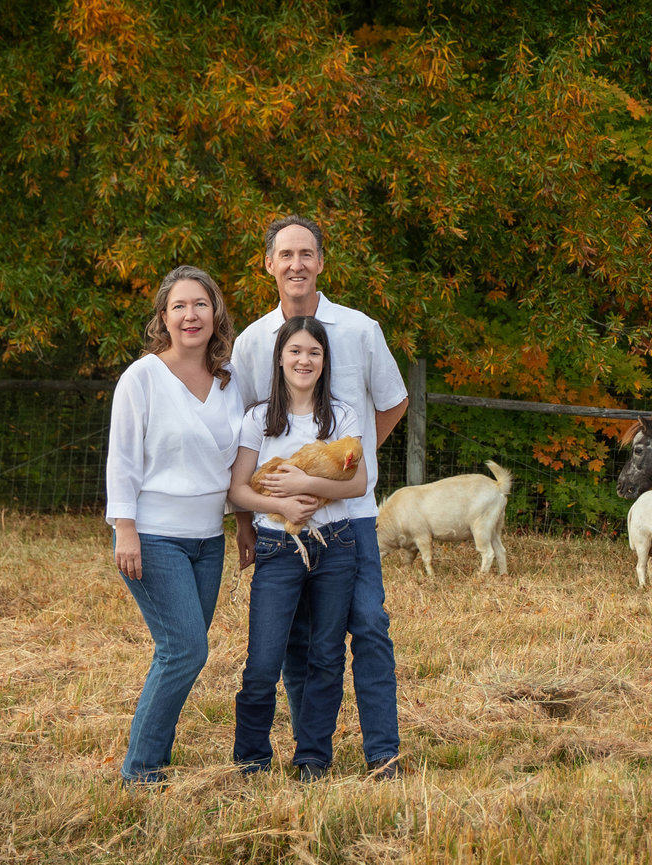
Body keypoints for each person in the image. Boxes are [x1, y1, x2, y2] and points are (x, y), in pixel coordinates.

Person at [232, 215, 408, 778]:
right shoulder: (251, 342)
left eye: (307, 254)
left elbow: (394, 402)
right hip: (282, 525)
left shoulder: (359, 329)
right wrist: (250, 517)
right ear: (269, 265)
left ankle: (383, 753)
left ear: (321, 263)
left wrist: (342, 465)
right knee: (297, 639)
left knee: (368, 625)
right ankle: (313, 754)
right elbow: (250, 433)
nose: (296, 265)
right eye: (285, 255)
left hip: (349, 517)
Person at [105, 265, 249, 785]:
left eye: (201, 305)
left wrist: (244, 524)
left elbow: (238, 463)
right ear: (163, 318)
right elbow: (122, 457)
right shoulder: (142, 377)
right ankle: (140, 772)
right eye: (179, 306)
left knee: (181, 653)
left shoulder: (230, 383)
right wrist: (125, 528)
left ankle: (154, 760)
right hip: (154, 536)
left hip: (209, 540)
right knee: (185, 649)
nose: (191, 315)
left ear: (216, 315)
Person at [230, 316, 367, 781]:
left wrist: (307, 483)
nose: (304, 360)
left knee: (327, 657)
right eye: (295, 352)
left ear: (324, 362)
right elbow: (238, 491)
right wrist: (282, 503)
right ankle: (251, 758)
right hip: (278, 547)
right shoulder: (260, 418)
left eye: (314, 352)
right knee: (264, 659)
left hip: (336, 546)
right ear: (280, 358)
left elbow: (361, 482)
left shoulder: (342, 416)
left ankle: (313, 757)